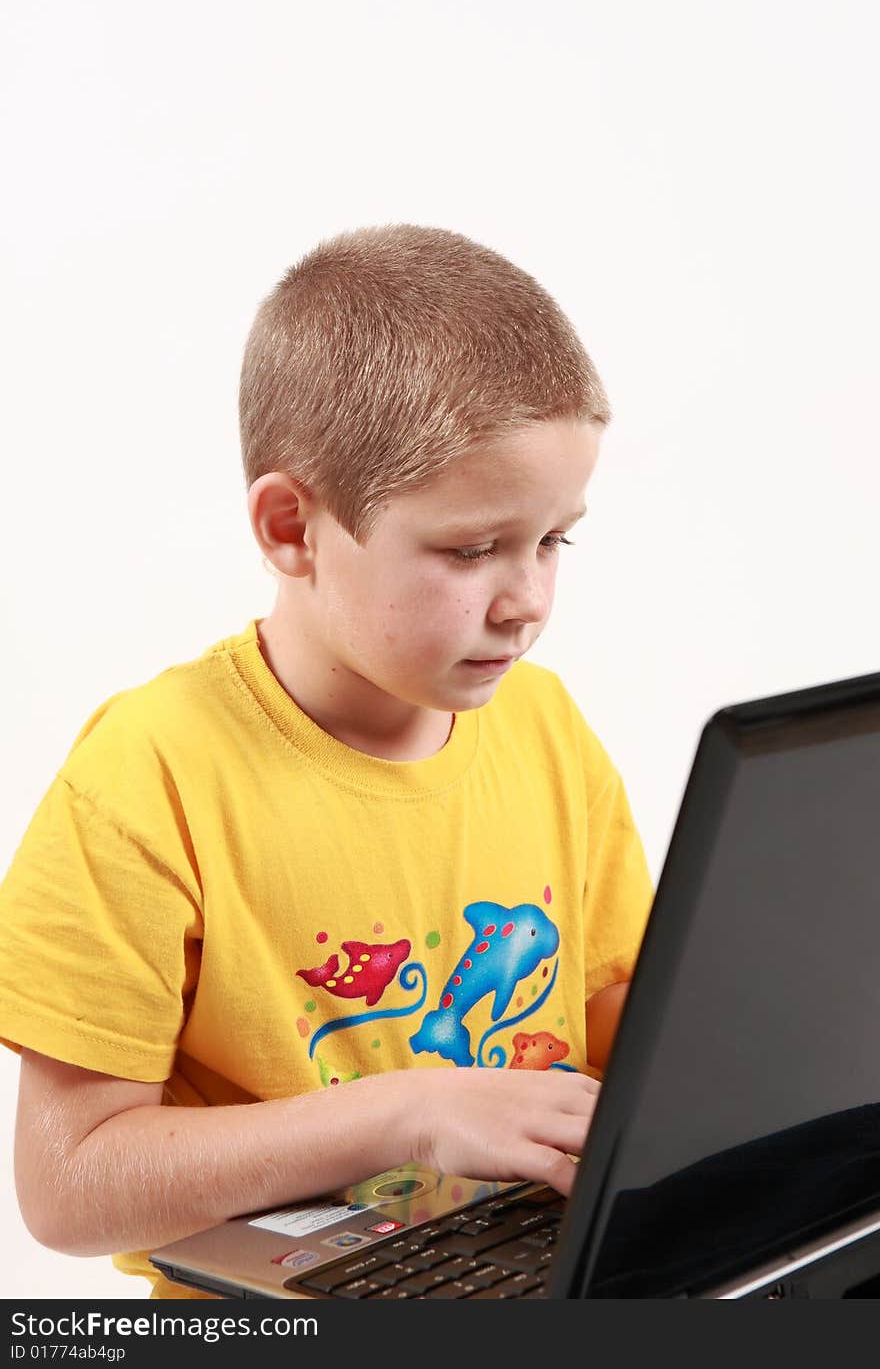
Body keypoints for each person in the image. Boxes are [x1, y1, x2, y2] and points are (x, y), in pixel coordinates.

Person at [0, 224, 654, 1299]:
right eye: (470, 547)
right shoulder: (151, 773)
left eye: (553, 541)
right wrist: (405, 1110)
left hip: (515, 1268)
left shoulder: (544, 728)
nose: (526, 600)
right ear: (292, 526)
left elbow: (619, 1026)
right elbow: (66, 1188)